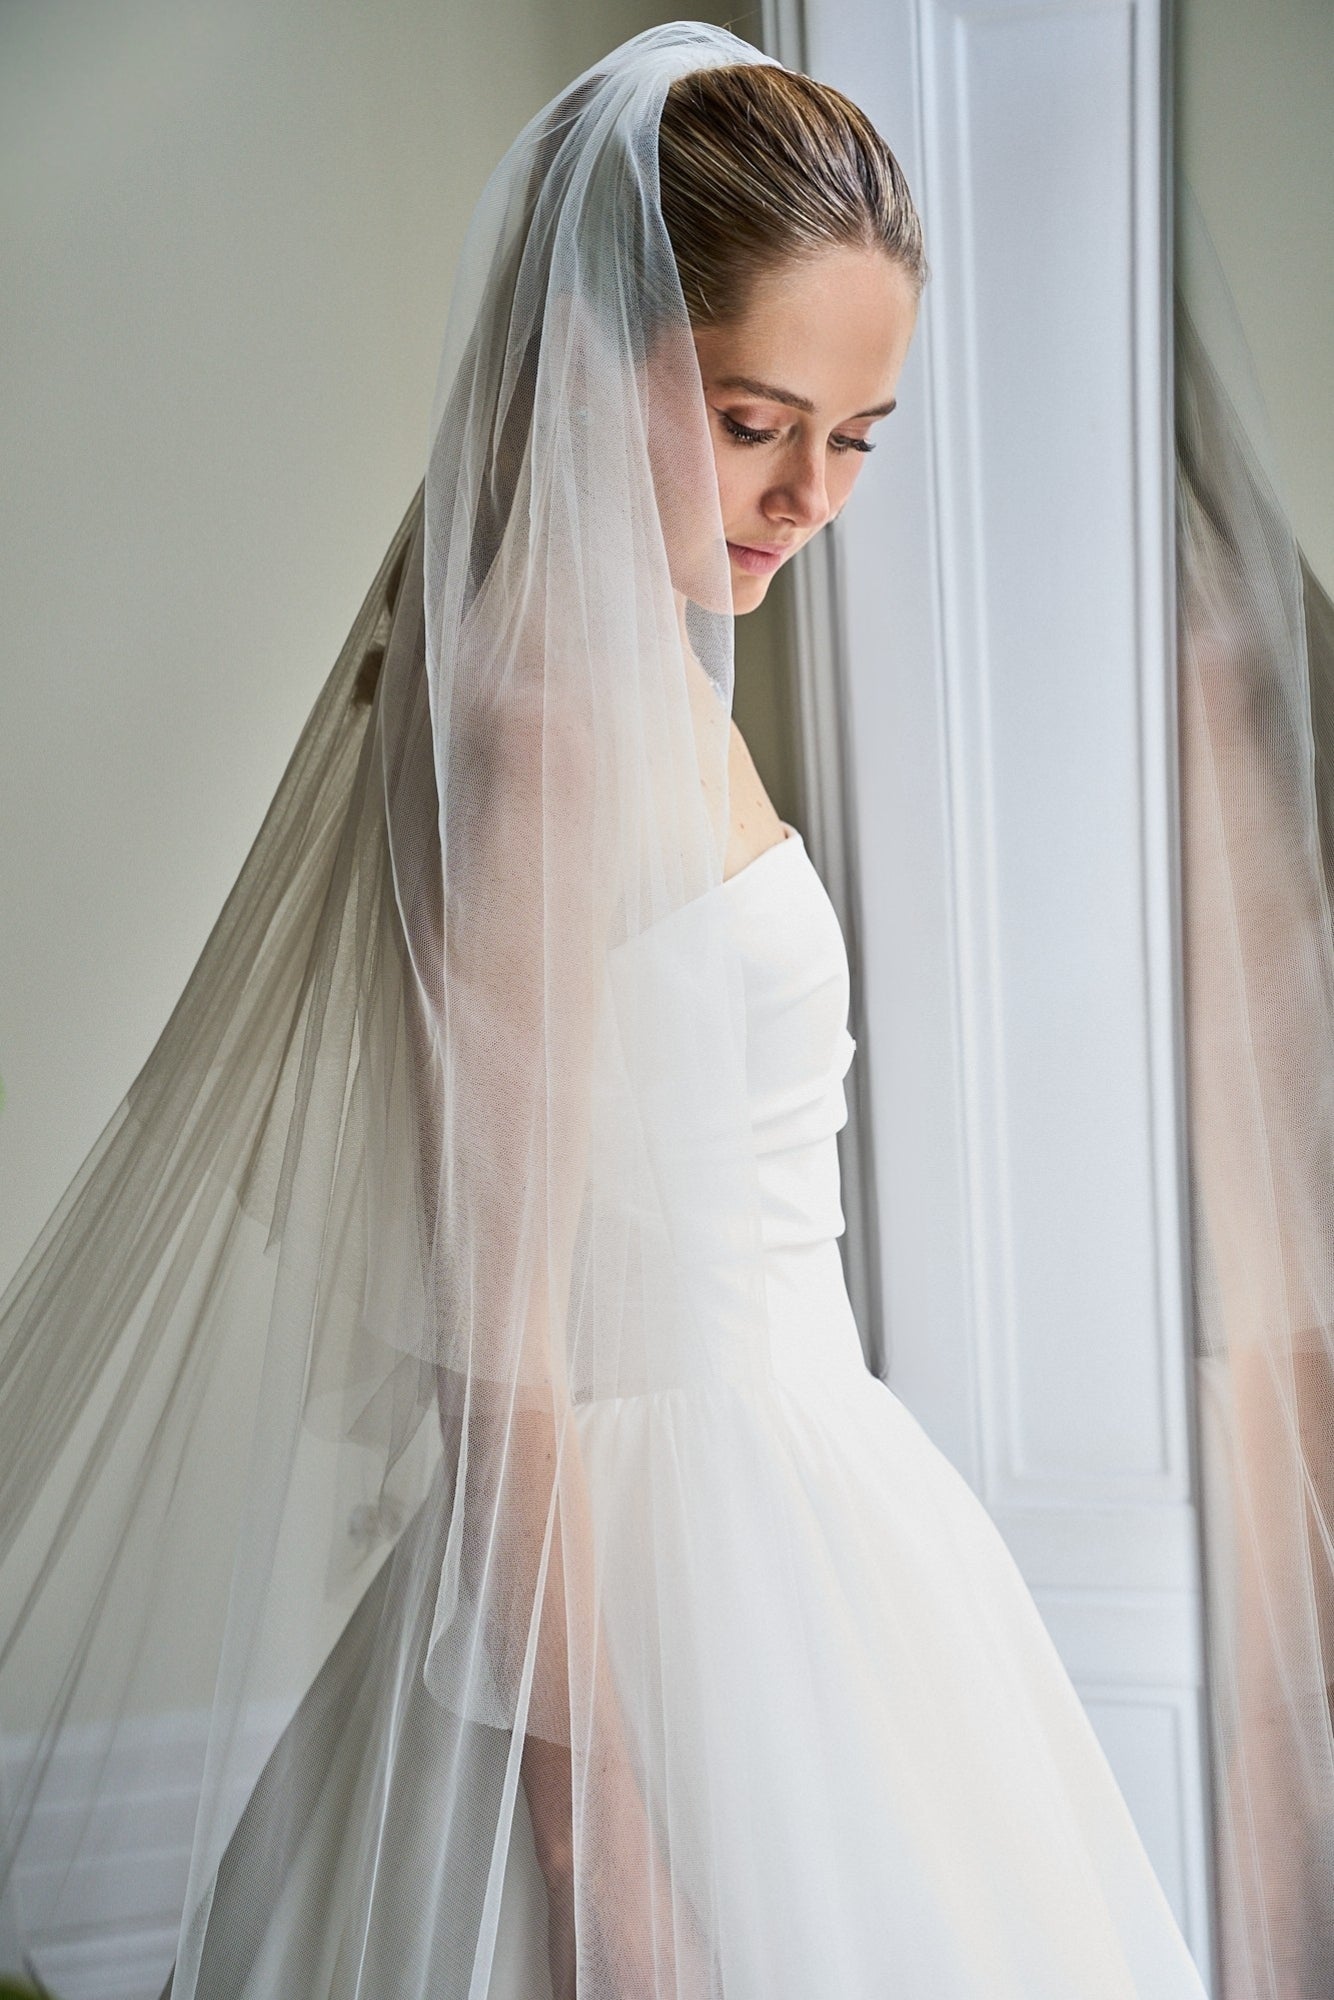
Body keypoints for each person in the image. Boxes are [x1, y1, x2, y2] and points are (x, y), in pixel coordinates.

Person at [0, 22, 1212, 1997]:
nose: (811, 493)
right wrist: (602, 1835)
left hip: (794, 1510)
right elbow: (500, 1346)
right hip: (651, 1570)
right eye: (753, 419)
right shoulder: (552, 717)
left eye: (857, 434)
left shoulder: (638, 661)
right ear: (591, 347)